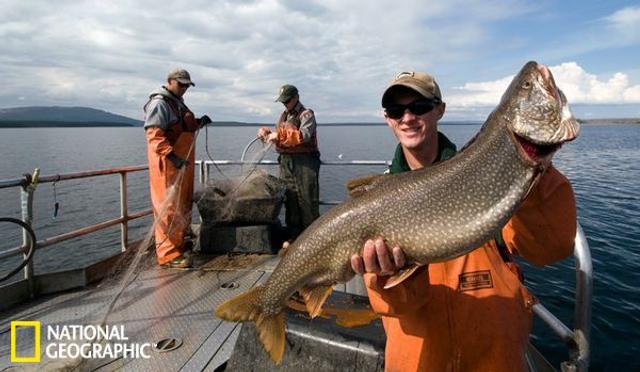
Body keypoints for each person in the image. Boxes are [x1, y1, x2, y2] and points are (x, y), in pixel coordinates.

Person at [349, 71, 577, 371]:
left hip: (496, 359)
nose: (407, 117)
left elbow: (549, 248)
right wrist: (389, 275)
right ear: (388, 119)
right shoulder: (376, 205)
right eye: (396, 111)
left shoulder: (487, 175)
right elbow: (394, 308)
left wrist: (536, 168)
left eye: (419, 107)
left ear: (439, 110)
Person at [143, 68, 211, 268]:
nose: (184, 89)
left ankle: (180, 246)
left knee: (183, 207)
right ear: (170, 81)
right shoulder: (160, 103)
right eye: (181, 84)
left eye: (187, 85)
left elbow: (183, 128)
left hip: (183, 165)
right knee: (169, 209)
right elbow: (154, 134)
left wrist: (199, 123)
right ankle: (168, 255)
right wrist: (172, 156)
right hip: (168, 167)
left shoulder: (177, 104)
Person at [257, 84, 321, 239]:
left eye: (287, 101)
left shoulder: (307, 115)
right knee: (290, 199)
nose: (285, 104)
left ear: (296, 98)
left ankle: (312, 237)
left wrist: (278, 135)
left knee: (307, 200)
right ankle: (294, 236)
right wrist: (266, 133)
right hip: (286, 162)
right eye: (283, 102)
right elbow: (279, 135)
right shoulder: (283, 116)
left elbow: (303, 136)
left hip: (305, 163)